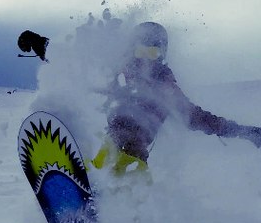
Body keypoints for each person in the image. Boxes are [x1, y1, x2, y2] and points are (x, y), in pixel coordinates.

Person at [92, 21, 261, 174]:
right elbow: (89, 90)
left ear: (161, 55)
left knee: (124, 167)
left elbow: (194, 117)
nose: (145, 60)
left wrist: (243, 131)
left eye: (152, 53)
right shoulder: (120, 74)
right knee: (101, 163)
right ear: (132, 51)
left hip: (134, 157)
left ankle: (125, 197)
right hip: (110, 144)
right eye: (141, 52)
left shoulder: (165, 86)